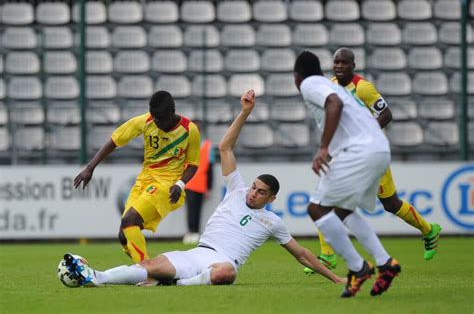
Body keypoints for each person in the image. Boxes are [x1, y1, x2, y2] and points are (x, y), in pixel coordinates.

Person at [63, 89, 346, 288]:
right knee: (144, 258)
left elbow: (302, 254)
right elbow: (226, 147)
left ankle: (178, 284)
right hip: (199, 252)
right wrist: (245, 112)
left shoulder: (273, 222)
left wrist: (336, 278)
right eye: (254, 187)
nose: (252, 193)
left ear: (272, 199)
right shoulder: (236, 189)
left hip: (221, 258)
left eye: (260, 192)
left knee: (227, 273)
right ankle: (95, 276)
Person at [305, 48, 441, 271]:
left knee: (391, 204)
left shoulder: (363, 88)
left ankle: (428, 230)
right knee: (324, 197)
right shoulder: (329, 85)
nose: (339, 66)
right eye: (336, 62)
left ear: (353, 66)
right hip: (345, 154)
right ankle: (327, 255)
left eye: (344, 63)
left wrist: (366, 135)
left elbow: (386, 114)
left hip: (367, 152)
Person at [294, 51, 401, 297]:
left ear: (296, 76)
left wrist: (323, 147)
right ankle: (385, 263)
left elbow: (335, 104)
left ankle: (358, 267)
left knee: (317, 209)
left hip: (358, 152)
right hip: (379, 149)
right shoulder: (330, 84)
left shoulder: (310, 83)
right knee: (343, 211)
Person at [74, 90, 201, 263]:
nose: (155, 121)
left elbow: (193, 165)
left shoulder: (189, 130)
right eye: (153, 116)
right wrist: (90, 168)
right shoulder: (146, 121)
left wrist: (180, 184)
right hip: (145, 179)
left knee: (129, 220)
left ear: (171, 113)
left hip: (167, 184)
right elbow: (115, 140)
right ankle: (157, 272)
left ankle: (148, 273)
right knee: (123, 236)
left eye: (160, 118)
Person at [182, 121, 214, 245]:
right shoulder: (186, 144)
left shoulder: (207, 146)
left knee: (197, 209)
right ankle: (190, 232)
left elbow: (210, 169)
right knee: (190, 209)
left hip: (201, 184)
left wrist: (209, 187)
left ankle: (195, 232)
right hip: (188, 182)